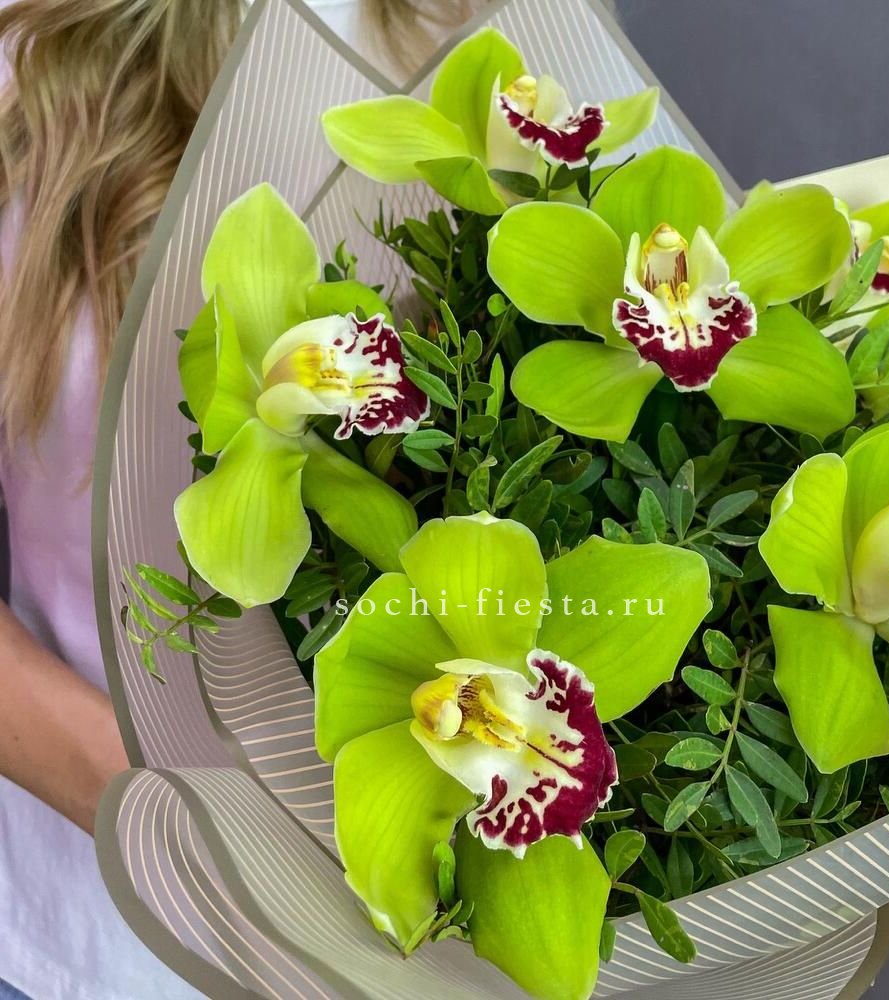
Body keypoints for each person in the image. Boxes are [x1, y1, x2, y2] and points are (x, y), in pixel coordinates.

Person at [0, 2, 485, 997]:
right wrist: (221, 843)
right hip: (92, 933)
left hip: (425, 948)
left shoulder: (506, 51)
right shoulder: (36, 74)